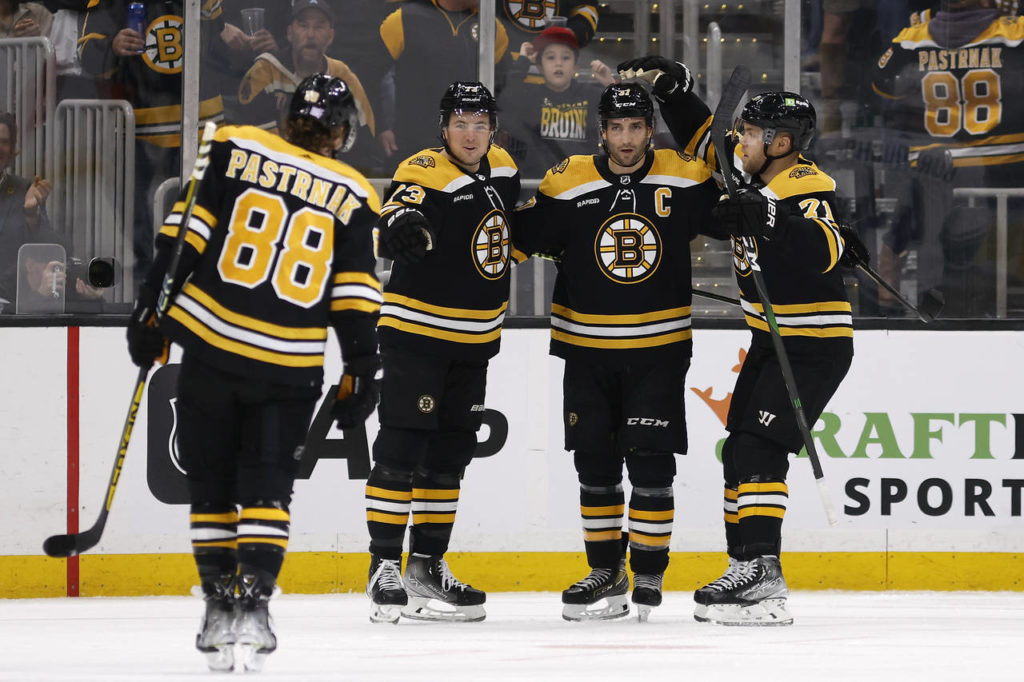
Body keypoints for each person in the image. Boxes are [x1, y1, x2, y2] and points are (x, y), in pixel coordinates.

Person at [125, 75, 382, 671]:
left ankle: (219, 608)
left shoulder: (234, 144)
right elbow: (353, 293)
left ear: (289, 116)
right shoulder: (352, 189)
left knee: (211, 488)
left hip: (211, 349)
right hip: (287, 365)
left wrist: (150, 312)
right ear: (341, 133)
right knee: (268, 490)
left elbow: (183, 238)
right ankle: (254, 607)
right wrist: (362, 367)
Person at [513, 79, 723, 622]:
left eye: (635, 127)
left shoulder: (684, 173)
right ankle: (606, 570)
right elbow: (515, 240)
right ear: (601, 131)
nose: (626, 139)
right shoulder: (567, 179)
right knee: (595, 465)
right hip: (586, 349)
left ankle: (649, 571)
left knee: (651, 462)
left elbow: (731, 210)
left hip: (659, 349)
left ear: (650, 130)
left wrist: (689, 110)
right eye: (616, 128)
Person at [657, 76, 856, 624]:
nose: (740, 140)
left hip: (812, 342)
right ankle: (743, 566)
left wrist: (769, 219)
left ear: (780, 142)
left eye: (750, 132)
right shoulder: (753, 173)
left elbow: (826, 246)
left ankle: (765, 575)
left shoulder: (803, 182)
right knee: (740, 453)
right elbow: (710, 142)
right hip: (772, 339)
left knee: (760, 450)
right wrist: (674, 94)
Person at [363, 81, 520, 624]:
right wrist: (401, 226)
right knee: (401, 448)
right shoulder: (422, 169)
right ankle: (384, 565)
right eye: (460, 124)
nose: (470, 135)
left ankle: (426, 566)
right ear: (444, 127)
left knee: (449, 458)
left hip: (475, 341)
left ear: (493, 129)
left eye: (480, 124)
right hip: (418, 336)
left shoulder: (504, 167)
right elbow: (398, 209)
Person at [871, 0, 1024, 316]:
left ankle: (898, 297)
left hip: (938, 173)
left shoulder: (913, 37)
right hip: (1007, 167)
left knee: (910, 239)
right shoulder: (1016, 32)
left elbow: (882, 85)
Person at [80, 0, 227, 284]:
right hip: (140, 124)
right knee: (134, 205)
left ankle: (199, 273)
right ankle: (148, 275)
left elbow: (220, 44)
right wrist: (112, 45)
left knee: (200, 206)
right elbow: (86, 55)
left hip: (199, 121)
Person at [236, 0, 375, 167]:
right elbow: (255, 143)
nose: (310, 34)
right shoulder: (264, 72)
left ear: (330, 36)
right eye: (303, 26)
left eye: (319, 27)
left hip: (329, 174)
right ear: (289, 33)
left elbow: (364, 139)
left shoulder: (343, 76)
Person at [377, 0, 510, 163]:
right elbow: (371, 77)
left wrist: (501, 127)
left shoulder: (491, 26)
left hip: (468, 146)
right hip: (411, 142)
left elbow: (503, 85)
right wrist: (382, 127)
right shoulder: (405, 18)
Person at [497, 25, 614, 178]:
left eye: (566, 58)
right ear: (540, 67)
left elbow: (620, 112)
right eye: (550, 57)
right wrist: (523, 62)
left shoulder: (589, 94)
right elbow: (506, 99)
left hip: (581, 182)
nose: (558, 63)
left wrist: (610, 84)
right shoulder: (530, 95)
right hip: (539, 182)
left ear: (575, 67)